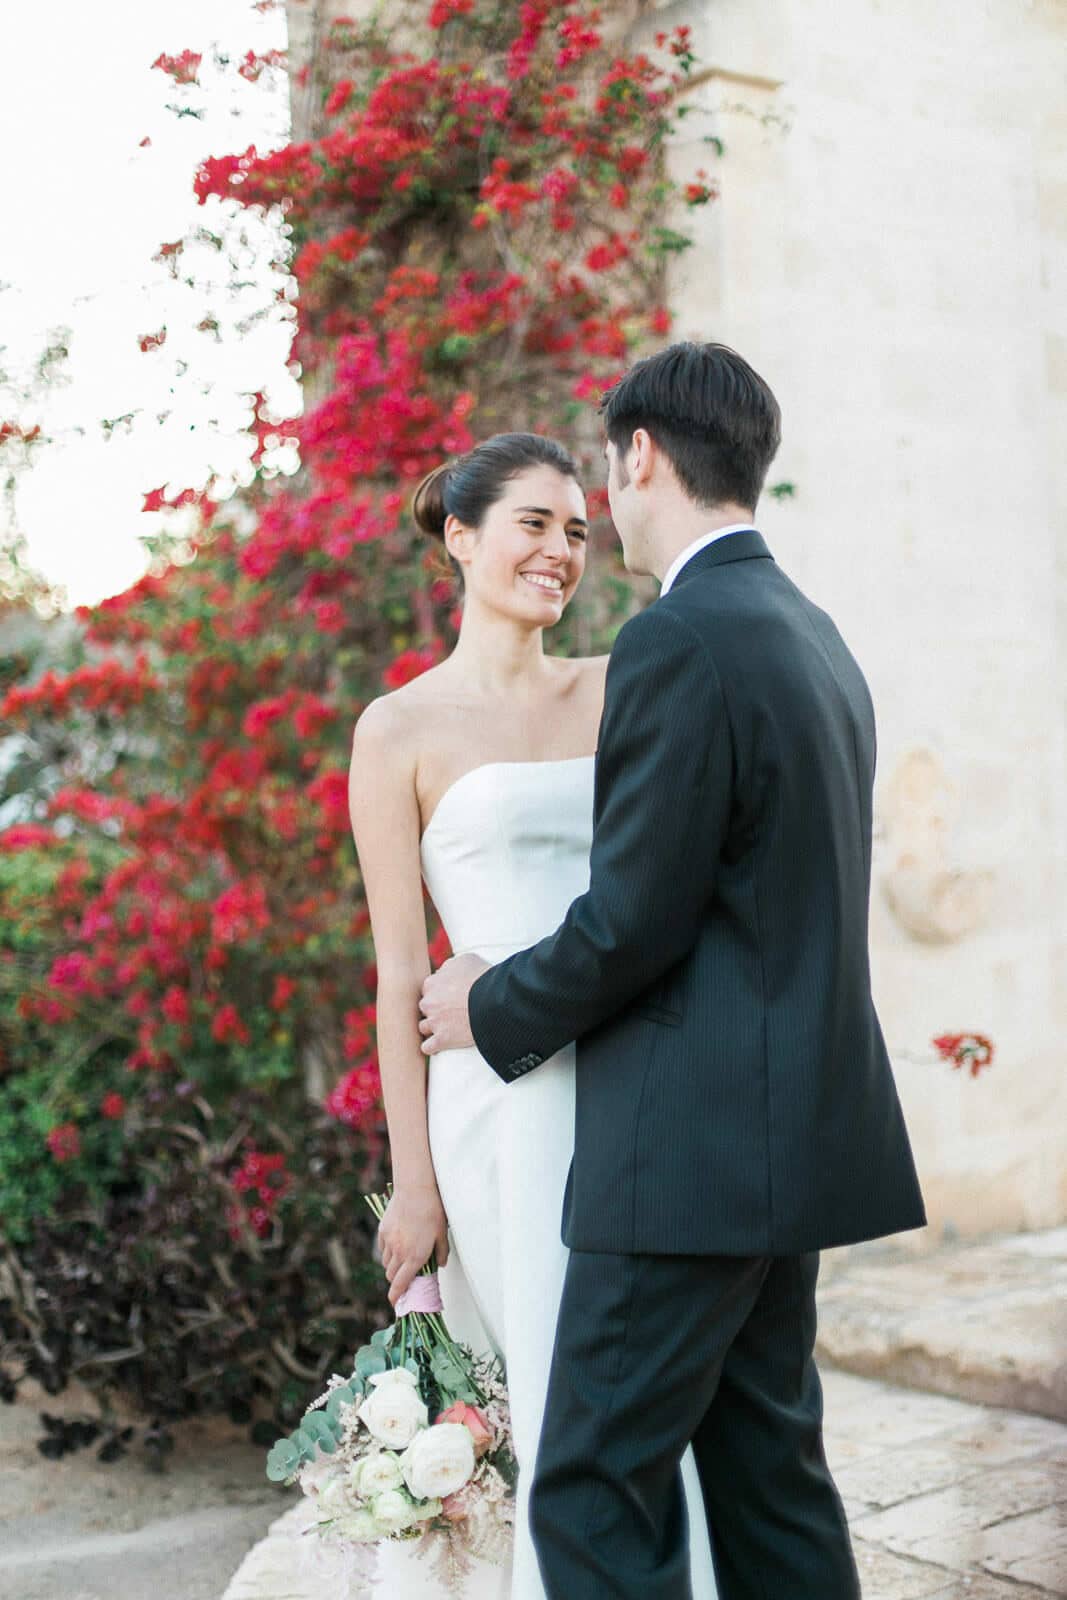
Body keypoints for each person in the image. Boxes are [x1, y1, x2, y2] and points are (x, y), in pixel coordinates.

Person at [418, 341, 928, 1600]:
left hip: (687, 1156)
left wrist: (481, 1005)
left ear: (638, 455)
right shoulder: (812, 636)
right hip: (790, 1143)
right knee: (768, 1478)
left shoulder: (678, 638)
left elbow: (632, 920)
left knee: (592, 1488)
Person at [347, 431, 718, 1599]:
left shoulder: (621, 683)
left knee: (641, 1394)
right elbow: (398, 971)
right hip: (493, 1117)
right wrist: (413, 1186)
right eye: (532, 523)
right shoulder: (395, 730)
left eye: (576, 529)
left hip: (632, 1081)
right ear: (459, 536)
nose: (561, 550)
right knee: (542, 1389)